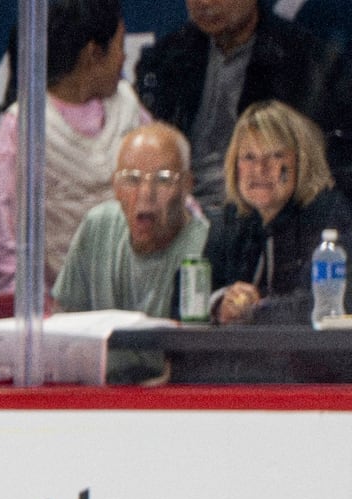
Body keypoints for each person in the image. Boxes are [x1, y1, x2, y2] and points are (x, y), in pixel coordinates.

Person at [0, 0, 149, 294]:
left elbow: (173, 191)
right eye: (119, 46)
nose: (124, 57)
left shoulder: (130, 108)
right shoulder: (21, 127)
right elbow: (6, 247)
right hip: (57, 312)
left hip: (135, 294)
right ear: (93, 54)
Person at [134, 0, 349, 211]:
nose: (204, 2)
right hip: (175, 214)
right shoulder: (163, 61)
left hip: (264, 217)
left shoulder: (307, 65)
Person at [204, 101, 352, 325]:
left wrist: (255, 309)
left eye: (275, 156)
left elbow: (325, 304)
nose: (260, 169)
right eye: (249, 157)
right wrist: (219, 304)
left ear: (302, 162)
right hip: (236, 358)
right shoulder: (229, 220)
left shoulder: (331, 217)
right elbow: (185, 298)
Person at [53, 123, 210, 317]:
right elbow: (67, 322)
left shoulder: (206, 244)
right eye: (131, 179)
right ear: (116, 187)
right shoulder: (98, 226)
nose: (145, 194)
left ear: (187, 186)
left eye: (163, 179)